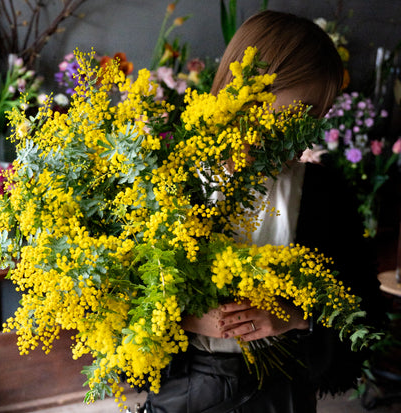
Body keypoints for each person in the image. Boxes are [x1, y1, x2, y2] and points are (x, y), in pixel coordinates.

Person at [142, 9, 383, 413]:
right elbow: (114, 292)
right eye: (300, 111)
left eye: (318, 116)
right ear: (251, 87)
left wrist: (294, 317)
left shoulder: (323, 194)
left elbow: (365, 309)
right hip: (183, 390)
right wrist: (182, 317)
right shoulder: (168, 178)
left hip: (283, 392)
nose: (308, 131)